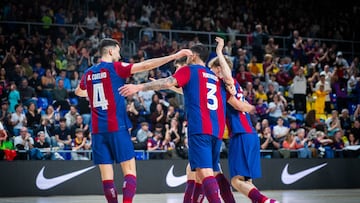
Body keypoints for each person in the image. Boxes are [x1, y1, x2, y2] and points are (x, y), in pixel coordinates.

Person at [75, 38, 191, 203]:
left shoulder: (88, 73)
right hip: (117, 126)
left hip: (98, 130)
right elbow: (145, 66)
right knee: (129, 172)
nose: (119, 54)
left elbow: (78, 92)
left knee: (107, 178)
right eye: (118, 50)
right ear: (110, 51)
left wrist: (95, 92)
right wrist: (173, 57)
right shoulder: (116, 67)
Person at [119, 43, 229, 203]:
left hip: (200, 127)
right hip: (217, 129)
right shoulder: (213, 77)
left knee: (205, 173)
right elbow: (186, 89)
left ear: (193, 56)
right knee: (202, 172)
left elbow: (168, 82)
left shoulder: (188, 70)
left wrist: (139, 87)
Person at [210, 37, 279, 203]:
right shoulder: (236, 84)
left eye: (211, 69)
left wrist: (250, 107)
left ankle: (265, 201)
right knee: (247, 181)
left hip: (240, 133)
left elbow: (238, 105)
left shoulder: (223, 85)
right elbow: (244, 105)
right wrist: (253, 107)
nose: (209, 73)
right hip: (250, 134)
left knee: (236, 181)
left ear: (219, 69)